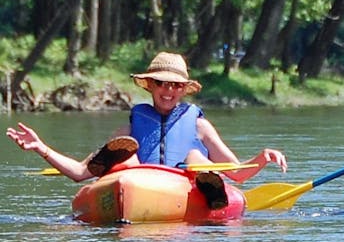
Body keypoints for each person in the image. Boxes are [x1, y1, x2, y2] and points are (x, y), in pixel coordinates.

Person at [7, 52, 287, 209]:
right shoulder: (129, 127)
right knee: (126, 153)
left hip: (185, 185)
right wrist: (41, 148)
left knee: (194, 157)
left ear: (184, 90)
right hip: (141, 183)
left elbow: (236, 172)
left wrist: (262, 157)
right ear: (150, 85)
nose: (169, 91)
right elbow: (80, 173)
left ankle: (208, 186)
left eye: (176, 85)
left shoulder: (199, 125)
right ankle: (123, 170)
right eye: (162, 84)